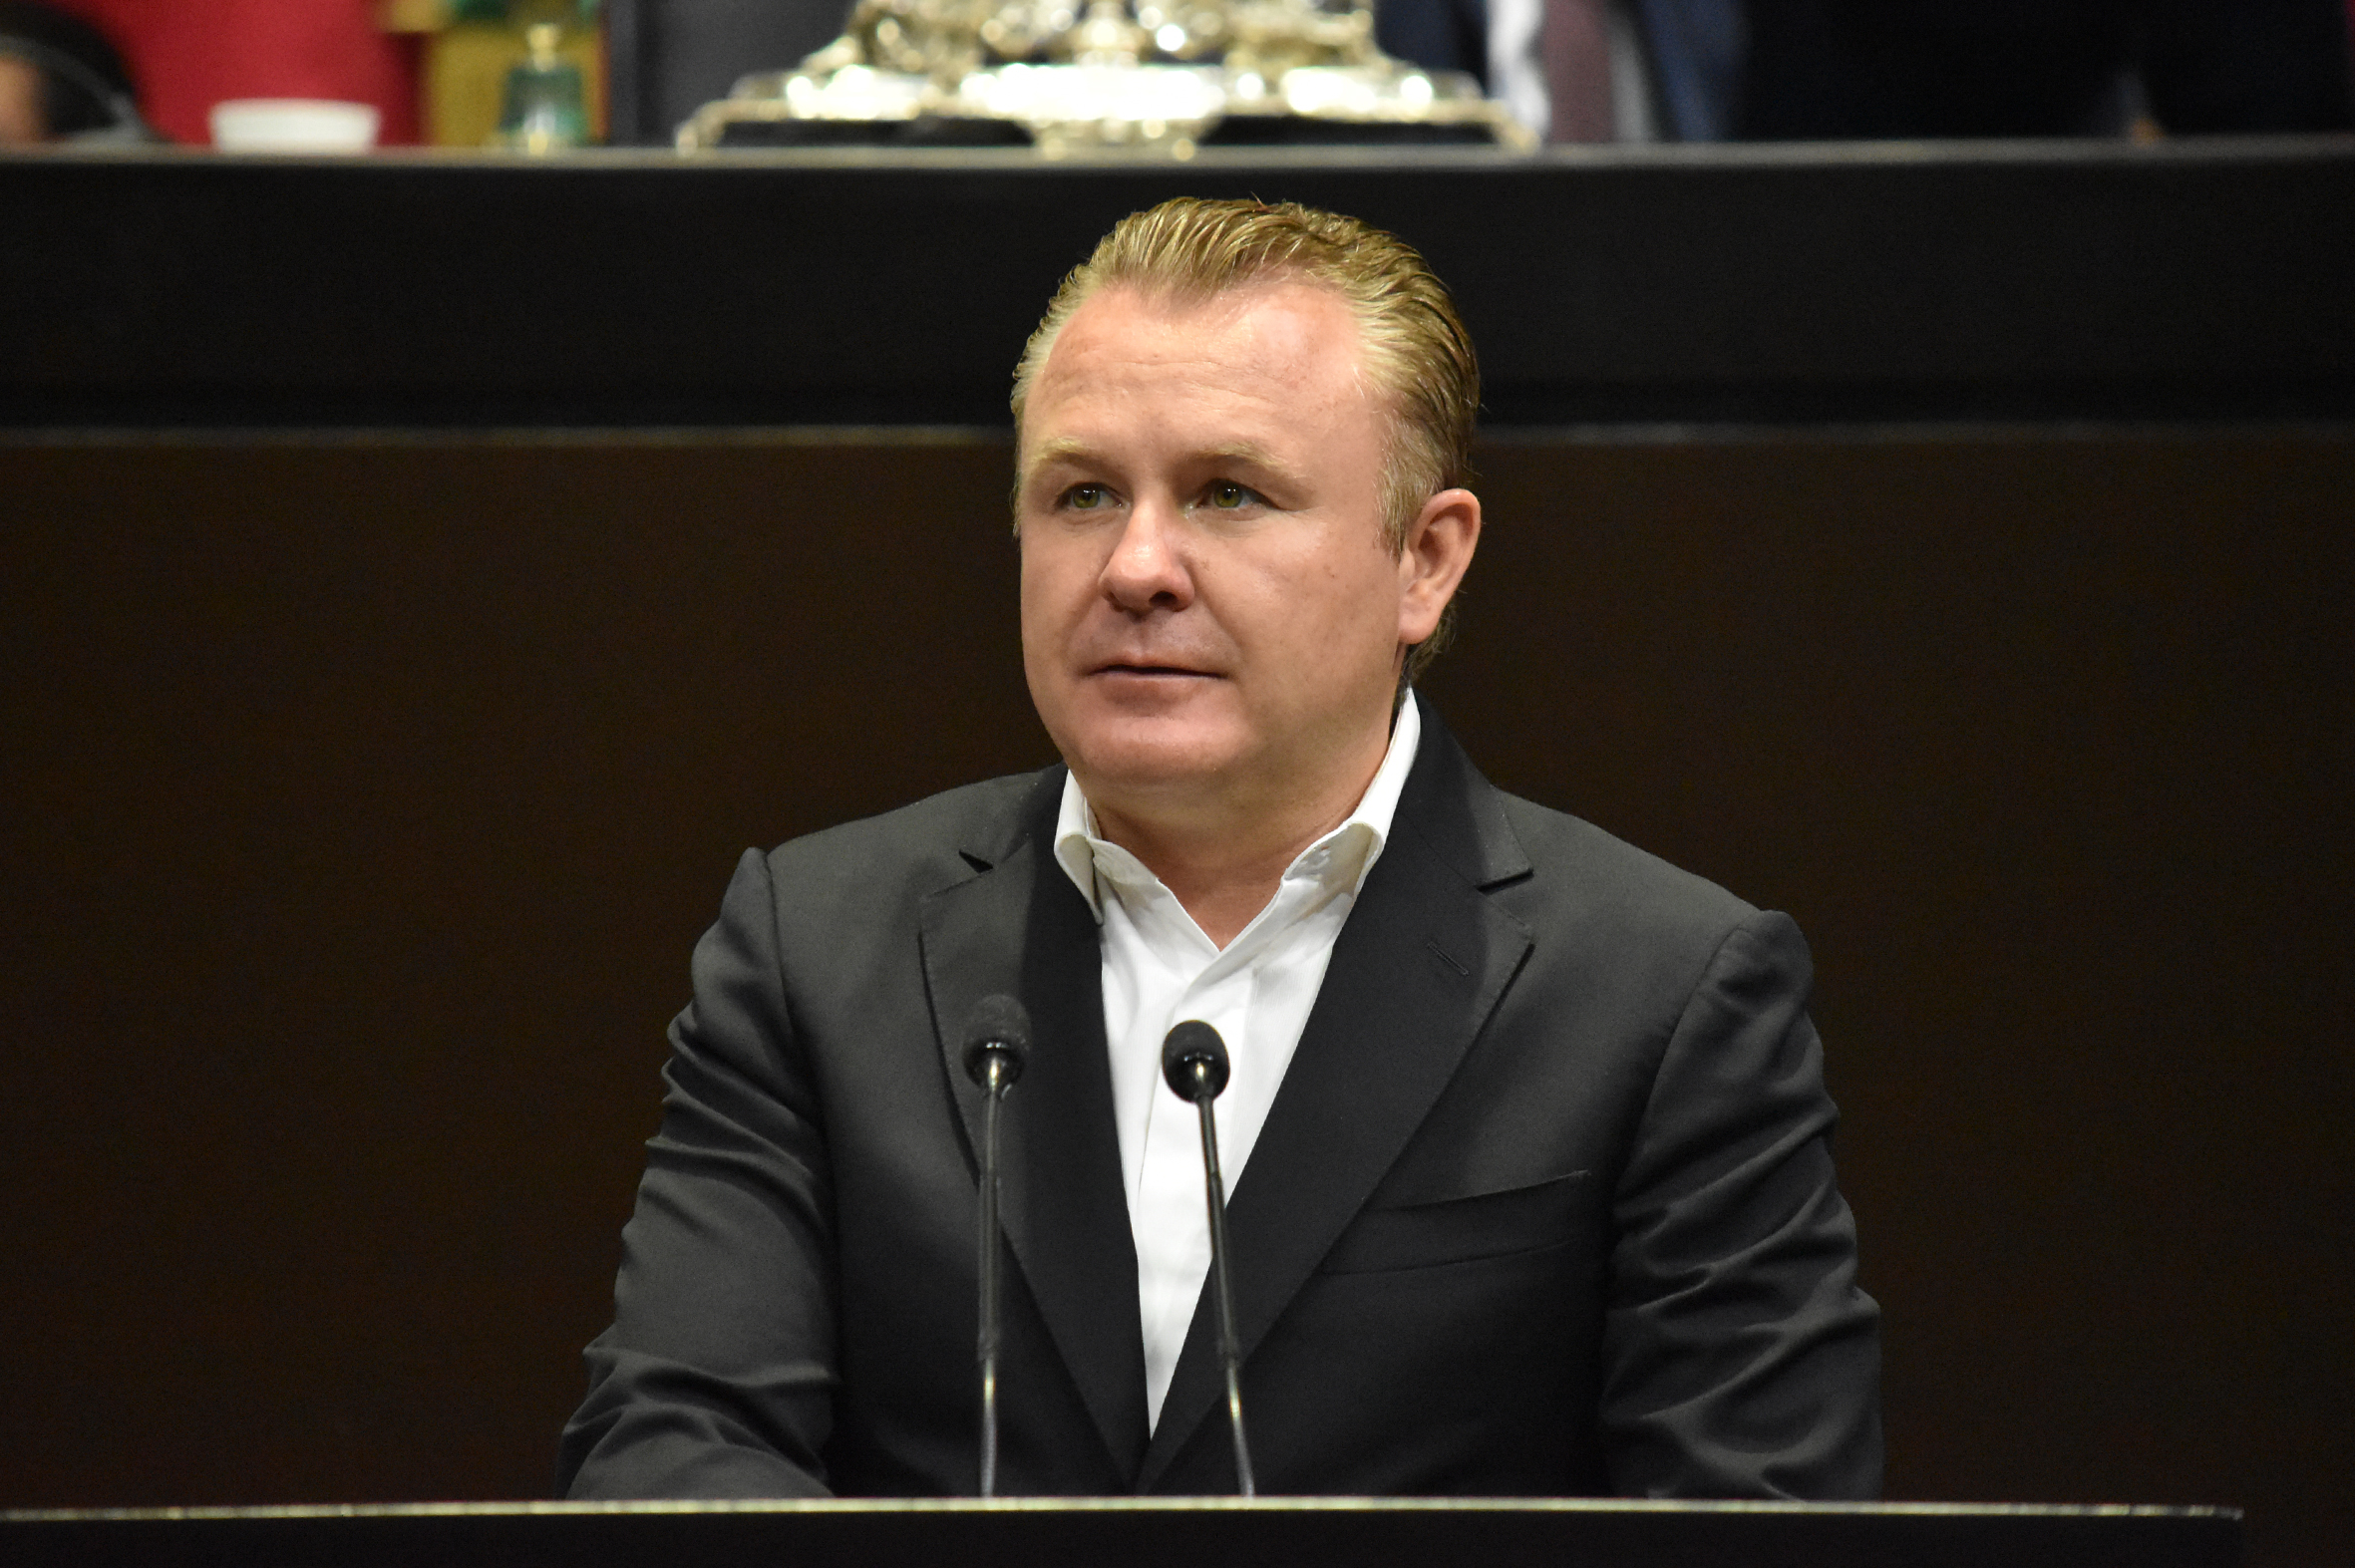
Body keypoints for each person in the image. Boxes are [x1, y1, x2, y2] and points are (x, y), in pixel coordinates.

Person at [558, 197, 1881, 1500]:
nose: (1136, 566)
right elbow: (669, 1451)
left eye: (1228, 493)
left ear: (1425, 561)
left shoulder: (1660, 993)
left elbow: (1754, 1518)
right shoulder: (813, 945)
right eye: (1082, 493)